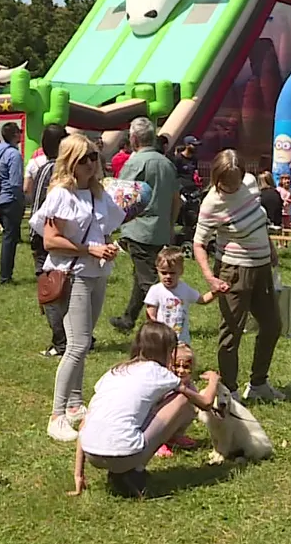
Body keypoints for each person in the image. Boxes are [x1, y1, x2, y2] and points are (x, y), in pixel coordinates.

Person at [32, 133, 126, 442]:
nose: (91, 163)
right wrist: (90, 250)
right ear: (71, 162)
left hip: (97, 273)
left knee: (82, 343)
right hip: (73, 275)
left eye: (94, 156)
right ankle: (56, 414)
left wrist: (107, 247)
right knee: (77, 344)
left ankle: (74, 404)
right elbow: (50, 241)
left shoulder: (99, 194)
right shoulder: (62, 194)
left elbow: (104, 230)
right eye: (84, 158)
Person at [67, 322, 221, 497]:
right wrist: (214, 380)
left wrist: (78, 474)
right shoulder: (159, 373)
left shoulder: (114, 372)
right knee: (182, 399)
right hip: (125, 456)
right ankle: (134, 473)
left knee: (108, 412)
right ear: (167, 351)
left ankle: (122, 472)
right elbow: (206, 402)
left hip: (91, 452)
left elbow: (85, 422)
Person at [192, 149, 285, 402]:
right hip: (233, 271)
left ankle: (258, 383)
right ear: (216, 177)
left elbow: (259, 220)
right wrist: (210, 277)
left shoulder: (250, 184)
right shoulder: (212, 203)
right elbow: (198, 244)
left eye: (236, 181)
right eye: (226, 183)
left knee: (272, 325)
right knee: (231, 332)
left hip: (262, 266)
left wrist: (271, 248)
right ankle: (230, 389)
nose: (232, 187)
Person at [110, 117, 181, 333]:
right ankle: (129, 318)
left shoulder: (135, 162)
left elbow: (120, 195)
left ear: (133, 138)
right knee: (141, 274)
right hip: (160, 228)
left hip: (139, 228)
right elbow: (176, 198)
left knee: (147, 279)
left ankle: (165, 321)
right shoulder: (166, 163)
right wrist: (170, 224)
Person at [28, 124, 70, 357]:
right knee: (55, 291)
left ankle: (62, 341)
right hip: (50, 237)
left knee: (53, 291)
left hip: (46, 238)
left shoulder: (47, 168)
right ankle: (66, 337)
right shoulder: (58, 170)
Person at [144, 246, 218, 346]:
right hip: (162, 339)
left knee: (181, 361)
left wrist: (215, 292)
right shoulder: (156, 290)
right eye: (164, 273)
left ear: (181, 271)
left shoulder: (184, 288)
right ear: (157, 270)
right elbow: (151, 316)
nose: (168, 276)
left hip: (182, 340)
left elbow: (202, 300)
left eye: (172, 273)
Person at [0, 122, 26, 284]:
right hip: (9, 198)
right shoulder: (14, 155)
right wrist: (21, 200)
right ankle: (5, 275)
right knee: (10, 238)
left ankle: (6, 273)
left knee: (8, 235)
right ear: (15, 135)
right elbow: (15, 182)